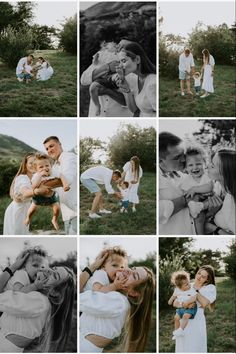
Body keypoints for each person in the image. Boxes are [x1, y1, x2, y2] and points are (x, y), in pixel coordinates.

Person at [0, 253, 76, 353]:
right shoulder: (39, 299)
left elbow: (3, 300)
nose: (48, 270)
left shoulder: (40, 301)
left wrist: (13, 268)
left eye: (54, 275)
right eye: (53, 268)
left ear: (55, 292)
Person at [80, 263, 155, 352]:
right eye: (132, 268)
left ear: (134, 293)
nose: (128, 270)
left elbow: (80, 299)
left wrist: (97, 271)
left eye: (134, 276)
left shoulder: (118, 301)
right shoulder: (113, 293)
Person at [80, 40, 134, 117]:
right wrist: (107, 67)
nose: (118, 46)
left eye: (120, 45)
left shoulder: (128, 61)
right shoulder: (101, 57)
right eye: (116, 45)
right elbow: (83, 80)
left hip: (119, 115)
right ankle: (97, 106)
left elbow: (130, 99)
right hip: (97, 116)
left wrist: (107, 91)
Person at [175, 265, 216, 353]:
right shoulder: (188, 285)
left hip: (197, 320)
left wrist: (195, 292)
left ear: (207, 279)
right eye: (199, 273)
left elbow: (204, 303)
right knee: (183, 345)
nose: (199, 277)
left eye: (203, 276)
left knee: (195, 345)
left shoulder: (210, 288)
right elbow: (176, 301)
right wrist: (183, 304)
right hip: (184, 319)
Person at [159, 132, 194, 235]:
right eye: (177, 157)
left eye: (183, 154)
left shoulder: (185, 176)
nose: (183, 159)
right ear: (161, 160)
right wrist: (185, 200)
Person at [25, 153, 69, 231]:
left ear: (50, 165)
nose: (44, 168)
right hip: (39, 196)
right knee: (32, 209)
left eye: (47, 165)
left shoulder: (54, 172)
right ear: (36, 169)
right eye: (41, 167)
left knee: (57, 208)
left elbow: (62, 176)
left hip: (51, 196)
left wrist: (65, 185)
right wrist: (40, 176)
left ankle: (54, 219)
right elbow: (33, 187)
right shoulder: (36, 175)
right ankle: (28, 218)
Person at [43, 136, 77, 234]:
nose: (49, 150)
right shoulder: (54, 166)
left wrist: (43, 186)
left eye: (51, 146)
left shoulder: (68, 157)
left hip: (75, 211)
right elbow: (55, 190)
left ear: (60, 144)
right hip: (67, 214)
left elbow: (67, 179)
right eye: (47, 149)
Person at [177, 146, 213, 235]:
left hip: (210, 201)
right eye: (190, 165)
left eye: (198, 164)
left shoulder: (207, 175)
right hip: (197, 208)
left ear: (205, 163)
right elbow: (185, 193)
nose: (195, 167)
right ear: (185, 167)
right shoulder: (187, 180)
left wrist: (194, 189)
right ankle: (200, 235)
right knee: (199, 218)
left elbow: (209, 187)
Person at [117, 41, 156, 116]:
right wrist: (127, 90)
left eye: (123, 61)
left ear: (137, 59)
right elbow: (134, 110)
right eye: (119, 62)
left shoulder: (152, 83)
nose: (120, 66)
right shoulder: (133, 78)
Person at [3, 153, 36, 235]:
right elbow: (24, 191)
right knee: (16, 237)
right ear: (25, 164)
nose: (33, 165)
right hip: (17, 212)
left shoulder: (34, 178)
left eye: (36, 163)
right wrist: (36, 192)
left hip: (24, 211)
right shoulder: (22, 178)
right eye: (31, 163)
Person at [206, 149, 236, 234]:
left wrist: (214, 229)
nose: (207, 166)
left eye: (212, 166)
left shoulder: (232, 203)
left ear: (225, 173)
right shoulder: (218, 188)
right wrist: (211, 212)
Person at [168, 271, 197, 340]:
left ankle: (181, 330)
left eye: (188, 283)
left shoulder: (191, 289)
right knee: (176, 318)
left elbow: (194, 297)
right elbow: (173, 296)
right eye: (186, 284)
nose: (189, 285)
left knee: (185, 316)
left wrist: (188, 302)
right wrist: (170, 301)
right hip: (181, 308)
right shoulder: (177, 290)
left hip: (190, 307)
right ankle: (176, 331)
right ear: (179, 287)